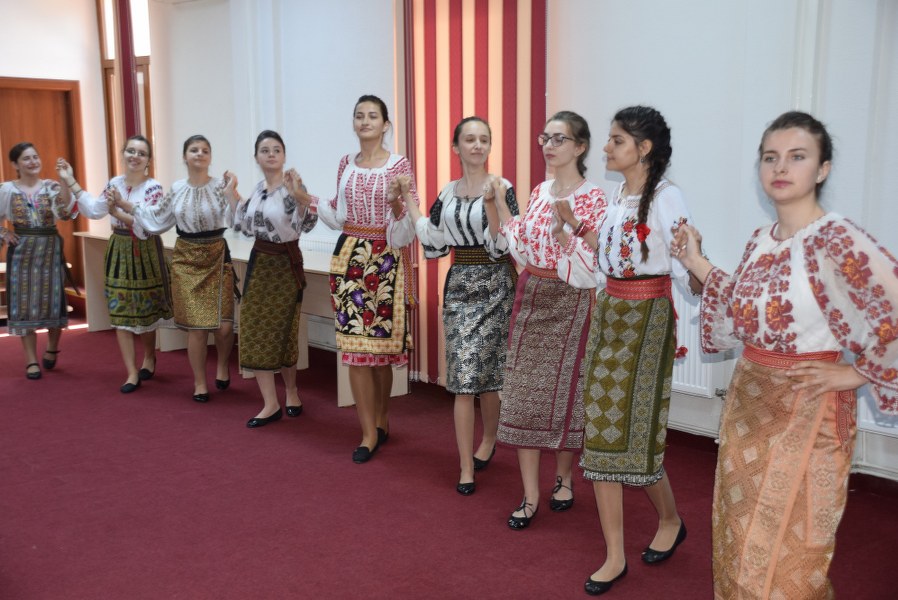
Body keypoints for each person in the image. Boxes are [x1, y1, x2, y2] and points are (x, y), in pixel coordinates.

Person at [673, 111, 898, 599]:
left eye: (797, 156)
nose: (781, 167)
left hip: (807, 410)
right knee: (738, 532)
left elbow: (892, 306)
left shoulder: (835, 237)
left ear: (822, 169)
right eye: (770, 157)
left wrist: (856, 373)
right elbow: (741, 304)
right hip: (748, 406)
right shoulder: (761, 239)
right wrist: (694, 260)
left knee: (791, 549)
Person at [557, 106, 690, 595]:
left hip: (646, 321)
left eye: (617, 140)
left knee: (635, 437)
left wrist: (706, 273)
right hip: (610, 313)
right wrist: (576, 227)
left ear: (643, 148)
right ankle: (615, 555)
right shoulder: (619, 195)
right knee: (602, 435)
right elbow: (612, 256)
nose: (607, 148)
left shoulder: (667, 198)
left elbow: (683, 266)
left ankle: (670, 519)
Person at [493, 111, 606, 528]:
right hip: (533, 294)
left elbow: (596, 262)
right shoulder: (540, 191)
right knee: (522, 395)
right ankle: (529, 495)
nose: (550, 146)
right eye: (546, 138)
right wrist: (498, 208)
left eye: (560, 139)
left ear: (580, 147)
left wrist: (566, 232)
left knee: (566, 397)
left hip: (572, 299)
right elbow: (521, 245)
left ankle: (563, 479)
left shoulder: (594, 198)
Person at [402, 116, 518, 494]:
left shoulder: (502, 187)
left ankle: (489, 440)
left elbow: (506, 243)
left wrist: (493, 206)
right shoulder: (447, 193)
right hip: (459, 287)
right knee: (463, 379)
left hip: (497, 284)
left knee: (490, 375)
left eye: (484, 139)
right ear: (456, 147)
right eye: (470, 139)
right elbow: (434, 238)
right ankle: (466, 466)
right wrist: (409, 202)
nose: (477, 145)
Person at [318, 94, 418, 463]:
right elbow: (338, 214)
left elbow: (407, 224)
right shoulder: (345, 163)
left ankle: (382, 417)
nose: (365, 121)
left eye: (372, 116)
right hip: (349, 259)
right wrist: (305, 198)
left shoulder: (399, 164)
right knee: (356, 350)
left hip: (385, 259)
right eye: (359, 115)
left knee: (380, 351)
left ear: (385, 124)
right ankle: (366, 433)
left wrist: (395, 202)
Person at [121, 135, 237, 403]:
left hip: (217, 255)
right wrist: (129, 208)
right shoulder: (176, 188)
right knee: (197, 328)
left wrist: (232, 190)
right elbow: (156, 218)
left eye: (205, 150)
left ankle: (222, 364)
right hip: (186, 259)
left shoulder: (221, 186)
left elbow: (236, 217)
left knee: (224, 328)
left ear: (210, 157)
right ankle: (199, 383)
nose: (199, 154)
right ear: (185, 157)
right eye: (194, 150)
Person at [57, 136, 173, 394]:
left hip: (144, 249)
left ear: (148, 160)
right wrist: (70, 179)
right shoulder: (114, 183)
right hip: (119, 248)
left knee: (145, 310)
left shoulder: (153, 188)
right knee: (120, 311)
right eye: (131, 151)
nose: (135, 156)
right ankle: (131, 372)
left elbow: (148, 224)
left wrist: (119, 209)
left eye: (141, 153)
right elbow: (95, 209)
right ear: (123, 154)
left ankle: (149, 356)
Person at [231, 130, 318, 427]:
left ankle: (291, 391)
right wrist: (232, 194)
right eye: (264, 150)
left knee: (284, 330)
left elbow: (306, 223)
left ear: (284, 156)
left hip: (285, 265)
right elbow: (244, 226)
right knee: (254, 329)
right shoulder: (258, 190)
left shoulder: (293, 186)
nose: (270, 154)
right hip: (260, 264)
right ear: (256, 157)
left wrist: (299, 196)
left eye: (276, 149)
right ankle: (270, 403)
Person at [0, 143, 77, 380]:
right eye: (26, 158)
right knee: (23, 306)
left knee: (54, 301)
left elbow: (64, 213)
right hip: (21, 253)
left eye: (35, 156)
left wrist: (64, 180)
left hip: (49, 251)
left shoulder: (51, 186)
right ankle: (31, 360)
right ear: (15, 164)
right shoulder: (7, 190)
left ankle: (52, 347)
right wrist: (4, 232)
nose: (33, 161)